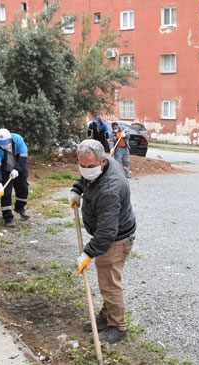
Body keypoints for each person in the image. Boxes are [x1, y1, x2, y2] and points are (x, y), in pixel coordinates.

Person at [69, 139, 137, 344]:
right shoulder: (99, 167)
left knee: (109, 284)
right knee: (108, 280)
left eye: (90, 167)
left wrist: (88, 252)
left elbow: (107, 232)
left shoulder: (109, 189)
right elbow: (86, 179)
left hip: (115, 240)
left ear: (103, 162)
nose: (86, 170)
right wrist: (77, 188)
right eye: (82, 166)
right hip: (111, 234)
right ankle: (106, 317)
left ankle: (118, 327)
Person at [0, 128, 30, 227]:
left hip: (19, 168)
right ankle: (8, 218)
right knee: (5, 193)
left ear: (10, 139)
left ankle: (20, 208)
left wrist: (17, 169)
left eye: (5, 142)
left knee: (23, 188)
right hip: (5, 170)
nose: (4, 145)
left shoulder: (18, 139)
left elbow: (23, 156)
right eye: (1, 143)